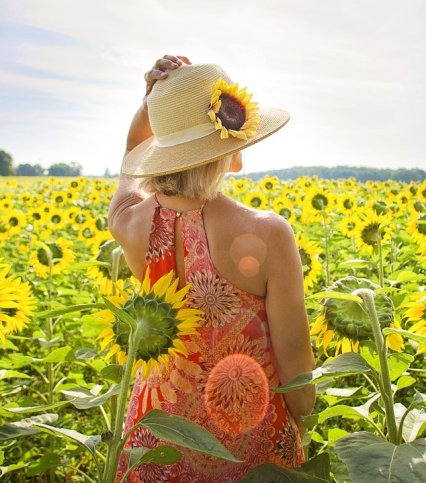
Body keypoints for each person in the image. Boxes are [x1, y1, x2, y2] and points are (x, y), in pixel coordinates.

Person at [107, 54, 316, 481]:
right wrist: (303, 425)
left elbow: (130, 157)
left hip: (157, 438)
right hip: (248, 437)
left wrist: (151, 105)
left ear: (159, 150)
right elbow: (294, 356)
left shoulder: (129, 222)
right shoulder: (269, 233)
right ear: (231, 150)